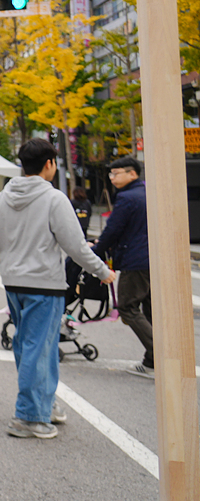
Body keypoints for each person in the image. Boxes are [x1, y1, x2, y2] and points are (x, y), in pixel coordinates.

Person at [0, 139, 114, 439]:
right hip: (44, 284)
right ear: (49, 164)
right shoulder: (54, 199)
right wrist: (103, 271)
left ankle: (44, 404)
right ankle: (30, 416)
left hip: (13, 285)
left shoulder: (3, 198)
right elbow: (75, 246)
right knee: (38, 348)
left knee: (27, 346)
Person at [93, 157, 153, 379]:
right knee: (150, 309)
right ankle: (151, 361)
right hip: (151, 259)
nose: (112, 177)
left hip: (135, 260)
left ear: (132, 174)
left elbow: (113, 230)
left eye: (116, 173)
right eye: (111, 174)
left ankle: (157, 356)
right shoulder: (147, 193)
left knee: (127, 306)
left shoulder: (127, 198)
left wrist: (97, 250)